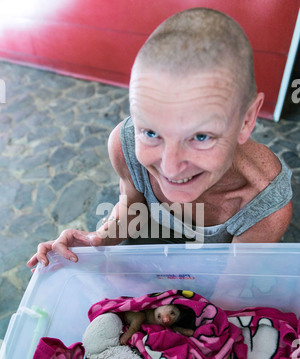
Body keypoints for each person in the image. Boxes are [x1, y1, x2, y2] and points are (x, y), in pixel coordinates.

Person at [27, 7, 293, 269]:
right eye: (152, 133)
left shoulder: (264, 208)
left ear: (247, 120)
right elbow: (133, 204)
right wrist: (97, 241)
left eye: (200, 136)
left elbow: (228, 290)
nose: (170, 168)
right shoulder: (126, 144)